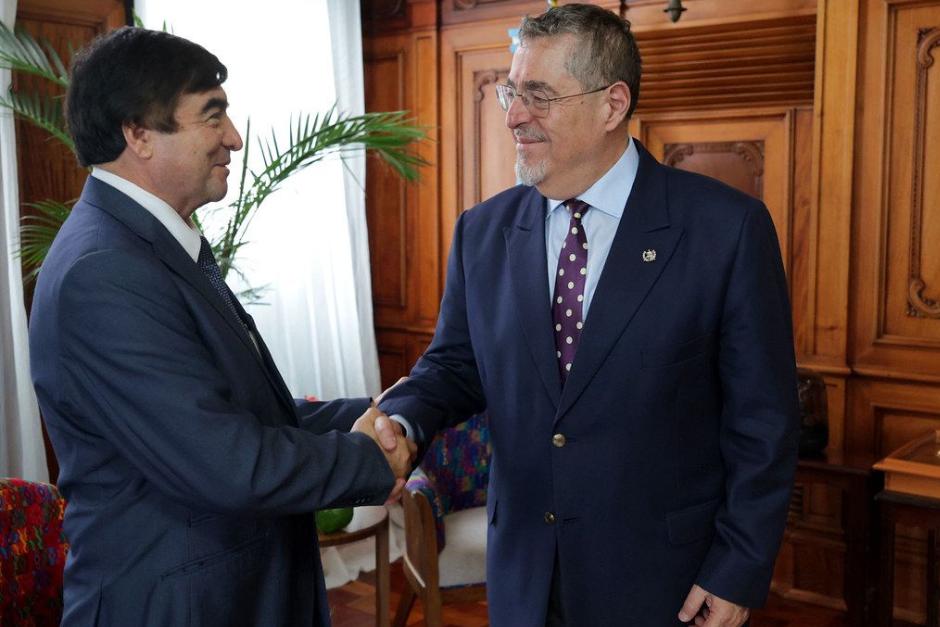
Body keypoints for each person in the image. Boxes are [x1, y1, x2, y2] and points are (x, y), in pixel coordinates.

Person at [377, 4, 799, 626]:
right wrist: (402, 420)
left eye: (539, 95)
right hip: (523, 571)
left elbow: (763, 421)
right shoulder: (481, 232)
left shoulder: (725, 230)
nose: (515, 115)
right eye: (512, 93)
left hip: (663, 580)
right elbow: (456, 364)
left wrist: (736, 567)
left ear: (611, 104)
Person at [28, 27, 411, 626]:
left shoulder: (145, 245)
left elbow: (240, 413)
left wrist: (383, 409)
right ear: (139, 135)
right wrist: (370, 458)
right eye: (213, 117)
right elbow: (228, 463)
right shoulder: (103, 272)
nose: (234, 138)